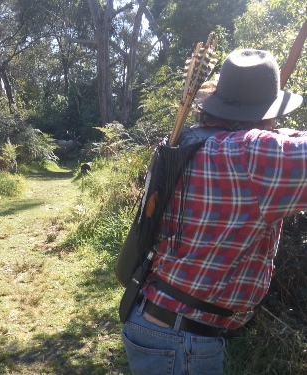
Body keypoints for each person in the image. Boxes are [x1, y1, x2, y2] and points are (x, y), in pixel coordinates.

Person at [121, 48, 304, 375]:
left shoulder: (186, 141)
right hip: (181, 341)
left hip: (156, 319)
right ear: (267, 113)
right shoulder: (254, 154)